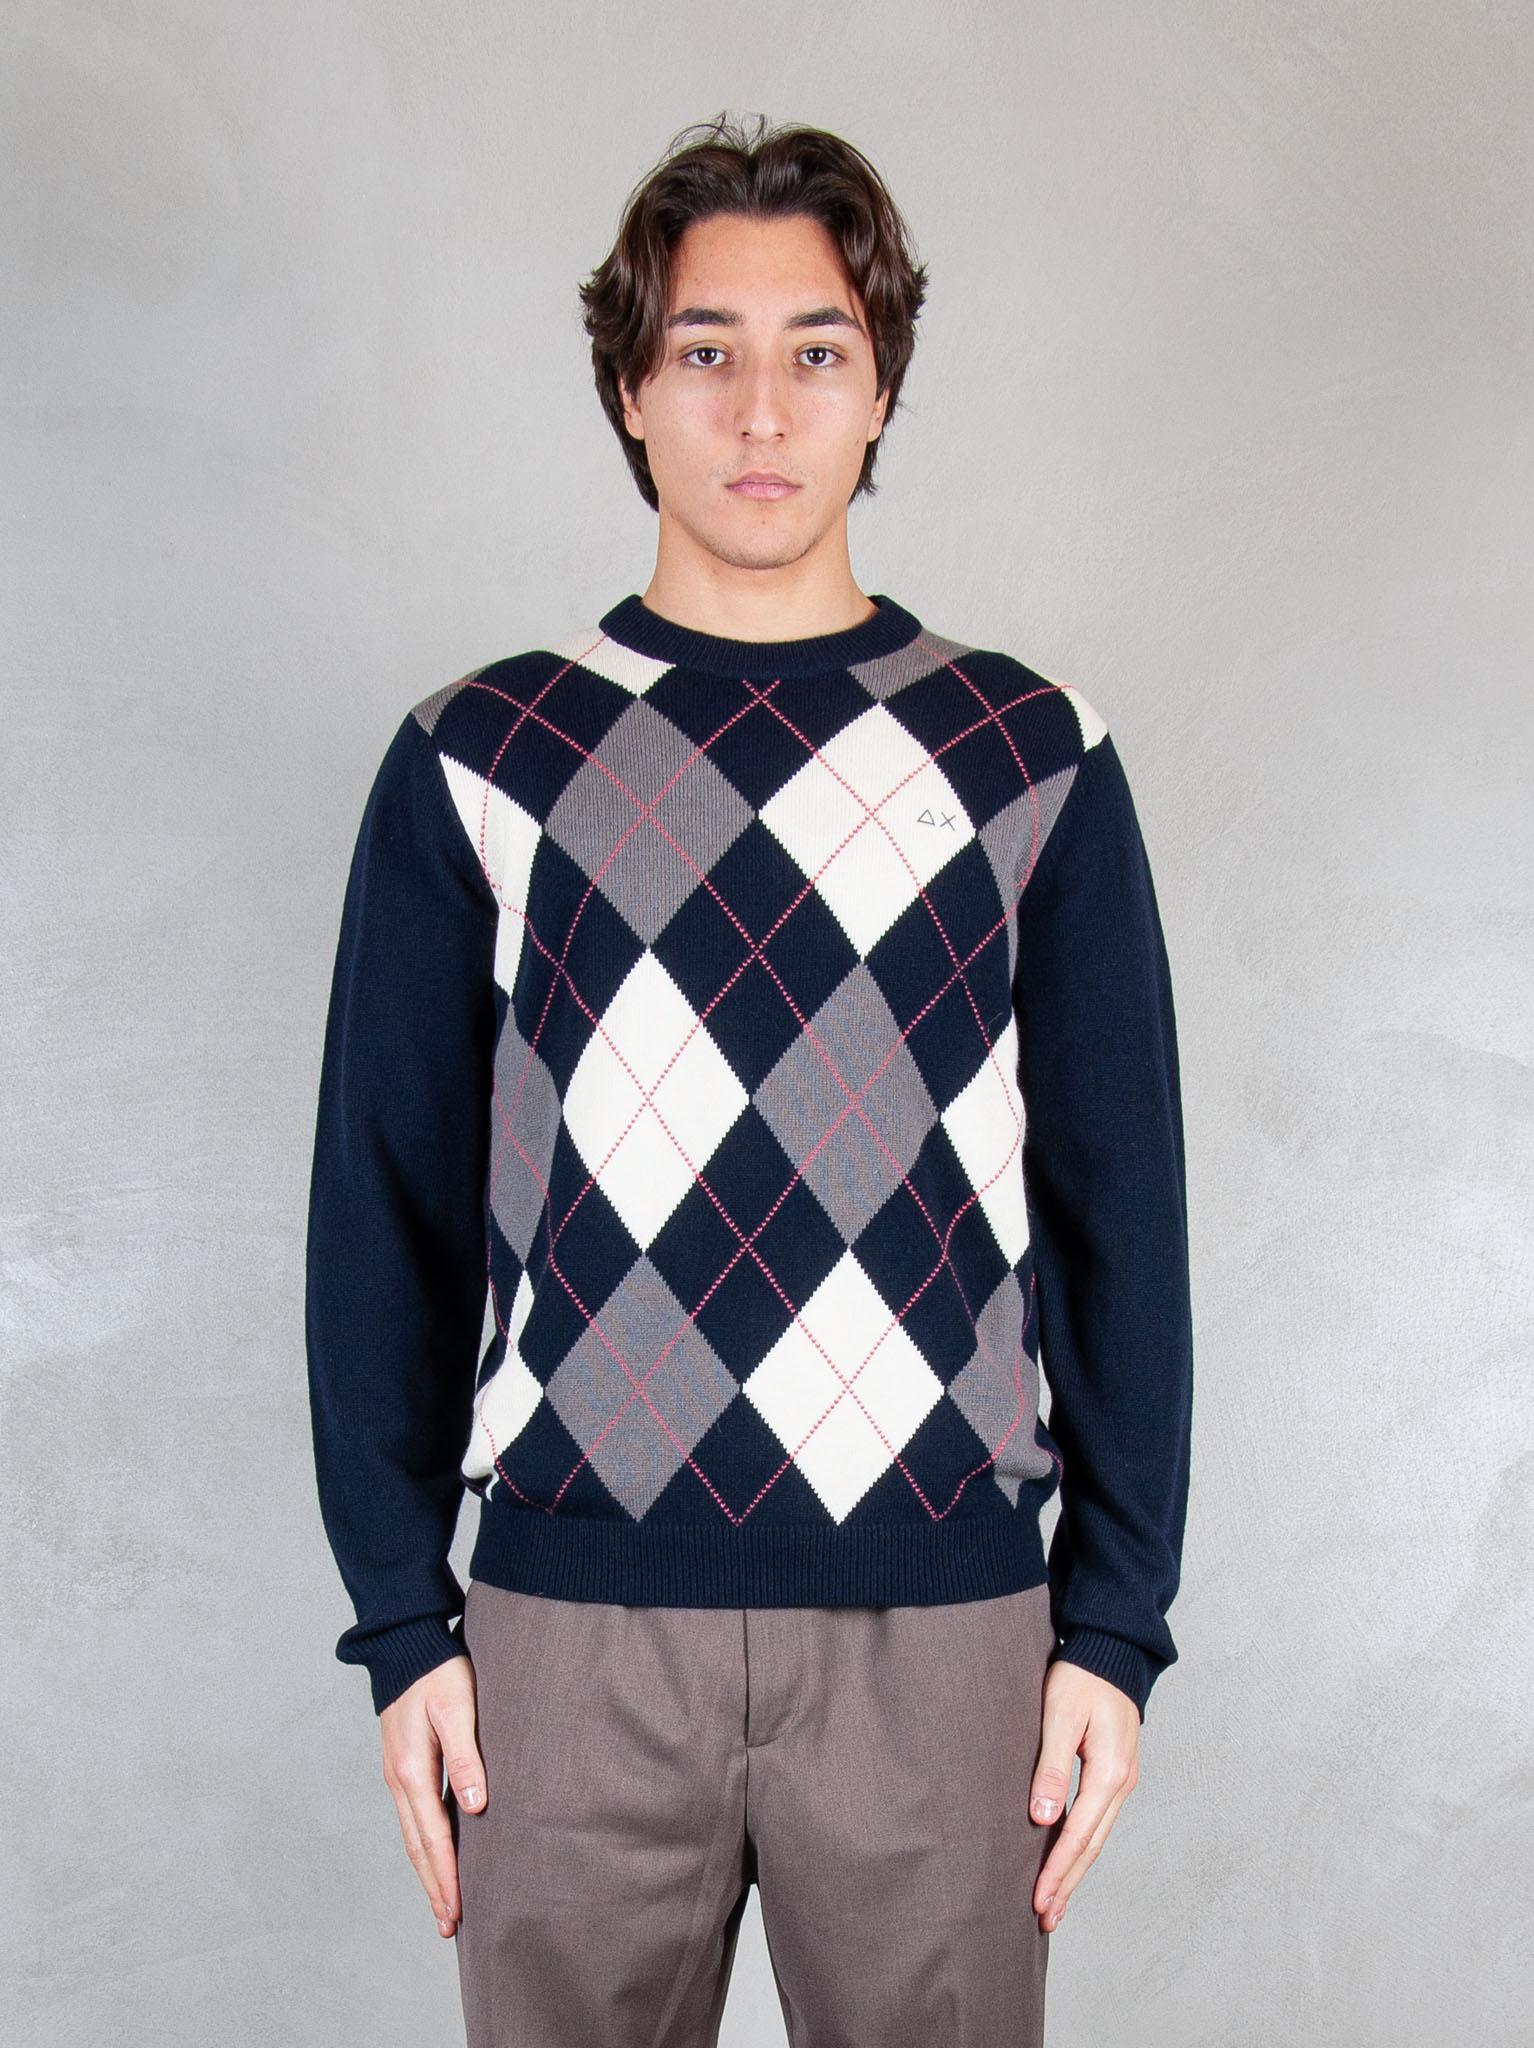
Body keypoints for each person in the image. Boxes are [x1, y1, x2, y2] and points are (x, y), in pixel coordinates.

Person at [305, 111, 1194, 2048]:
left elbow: (1116, 1221)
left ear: (881, 387)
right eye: (703, 349)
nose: (761, 409)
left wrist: (1114, 1624)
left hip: (943, 1631)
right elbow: (386, 1213)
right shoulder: (479, 758)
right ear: (629, 388)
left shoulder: (1029, 756)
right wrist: (400, 1621)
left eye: (816, 350)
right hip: (564, 1636)